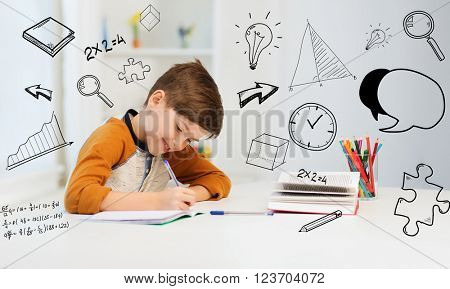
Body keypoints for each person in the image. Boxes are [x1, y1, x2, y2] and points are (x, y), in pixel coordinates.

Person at [65, 60, 231, 214]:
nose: (179, 145)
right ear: (157, 100)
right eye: (178, 127)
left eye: (189, 139)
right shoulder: (111, 137)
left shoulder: (171, 149)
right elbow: (77, 195)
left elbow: (219, 179)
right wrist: (158, 201)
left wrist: (187, 196)